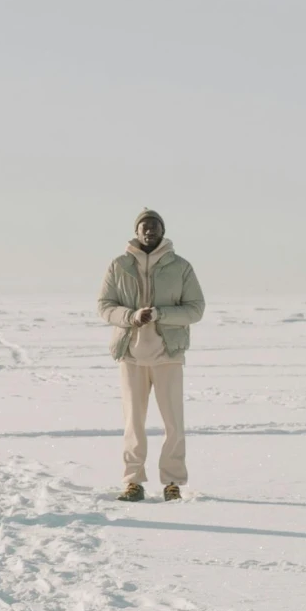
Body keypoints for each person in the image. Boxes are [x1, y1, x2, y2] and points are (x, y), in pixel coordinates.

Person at [97, 208, 205, 502]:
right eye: (144, 226)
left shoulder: (180, 267)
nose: (149, 230)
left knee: (173, 423)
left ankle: (172, 483)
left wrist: (160, 314)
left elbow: (195, 309)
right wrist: (131, 316)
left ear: (162, 231)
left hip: (168, 355)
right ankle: (133, 481)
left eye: (154, 226)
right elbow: (105, 306)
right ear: (136, 231)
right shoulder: (119, 265)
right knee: (133, 422)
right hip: (130, 355)